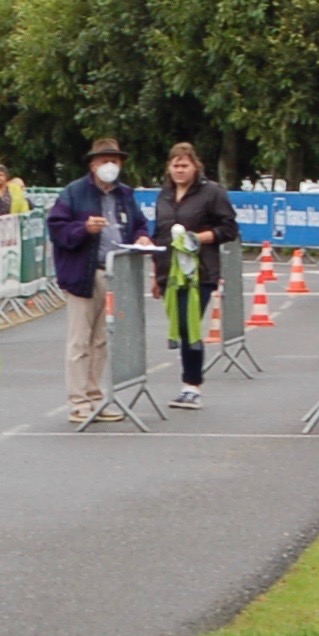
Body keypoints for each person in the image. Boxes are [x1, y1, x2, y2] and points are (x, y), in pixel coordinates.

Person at [47, 138, 152, 423]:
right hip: (83, 273)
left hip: (116, 274)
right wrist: (84, 229)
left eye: (114, 161)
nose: (110, 166)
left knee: (101, 340)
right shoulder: (74, 193)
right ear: (93, 164)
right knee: (79, 340)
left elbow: (139, 223)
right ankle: (78, 402)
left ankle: (96, 397)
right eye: (104, 160)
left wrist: (143, 236)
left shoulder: (125, 195)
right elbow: (57, 229)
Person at [150, 141, 239, 410]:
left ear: (194, 166)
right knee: (178, 326)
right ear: (169, 167)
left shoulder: (211, 193)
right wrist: (156, 274)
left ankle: (192, 385)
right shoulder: (164, 195)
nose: (179, 170)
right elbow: (160, 234)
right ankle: (188, 383)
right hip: (170, 272)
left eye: (184, 165)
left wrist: (198, 238)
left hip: (199, 272)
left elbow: (229, 228)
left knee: (190, 325)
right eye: (175, 165)